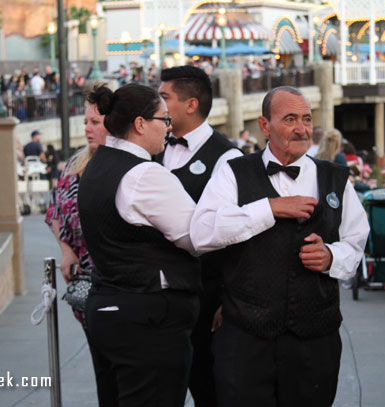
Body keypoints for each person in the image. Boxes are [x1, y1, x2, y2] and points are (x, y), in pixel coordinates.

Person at [190, 86, 369, 407]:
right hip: (245, 340)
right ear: (264, 125)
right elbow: (202, 233)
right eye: (290, 119)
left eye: (306, 118)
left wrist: (331, 256)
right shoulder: (233, 172)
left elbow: (356, 243)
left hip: (315, 341)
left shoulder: (336, 179)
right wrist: (269, 208)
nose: (301, 128)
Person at [78, 83, 201, 407]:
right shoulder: (144, 173)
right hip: (146, 317)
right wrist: (264, 212)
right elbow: (197, 237)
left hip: (109, 308)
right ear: (141, 124)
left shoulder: (97, 164)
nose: (168, 128)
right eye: (164, 119)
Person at [155, 65, 241, 407]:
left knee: (210, 389)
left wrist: (226, 299)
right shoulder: (153, 148)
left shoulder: (228, 157)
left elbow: (234, 232)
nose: (158, 107)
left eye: (164, 98)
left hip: (205, 298)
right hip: (159, 298)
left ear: (191, 104)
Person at [44, 85, 114, 405]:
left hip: (123, 285)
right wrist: (66, 249)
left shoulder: (131, 165)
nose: (87, 128)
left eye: (95, 122)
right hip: (86, 285)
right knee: (103, 368)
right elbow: (55, 212)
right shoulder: (75, 165)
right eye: (85, 121)